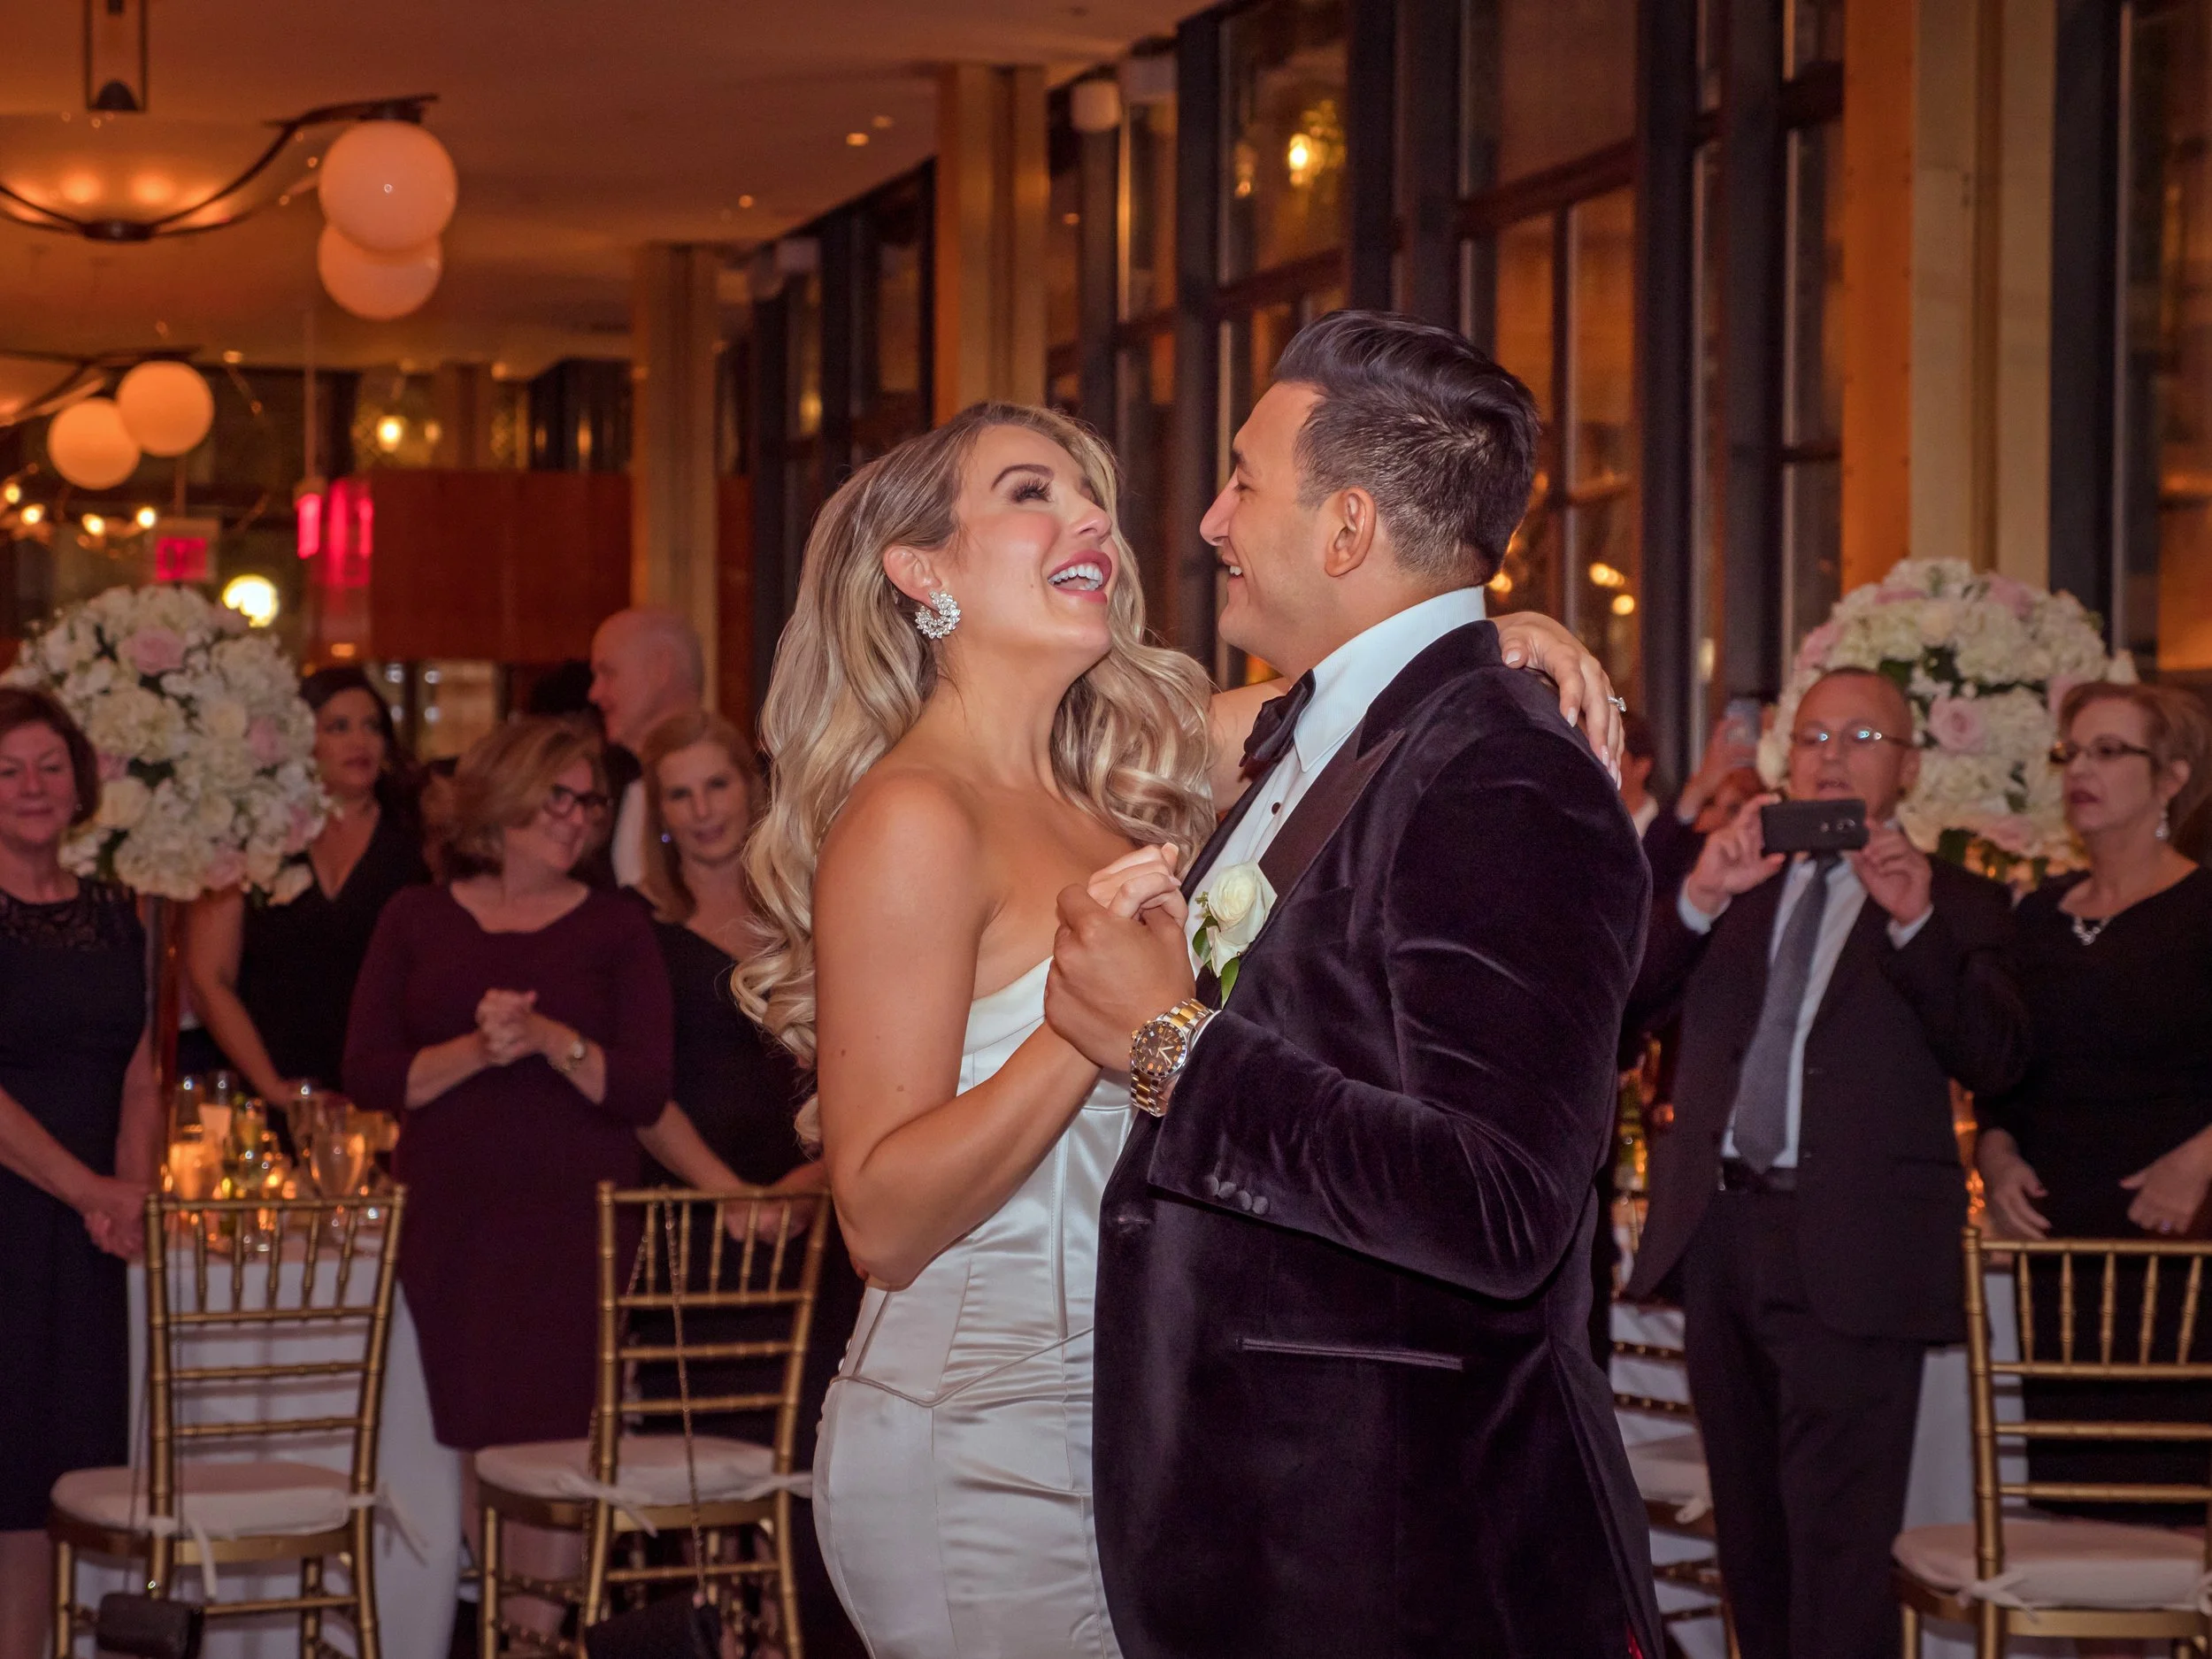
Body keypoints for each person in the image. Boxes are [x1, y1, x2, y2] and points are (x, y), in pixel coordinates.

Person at [736, 387, 1620, 1658]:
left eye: (1090, 490)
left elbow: (1376, 690)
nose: (1088, 512)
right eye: (1029, 491)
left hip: (1131, 1431)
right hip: (984, 1432)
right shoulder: (916, 815)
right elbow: (879, 1214)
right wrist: (1088, 1025)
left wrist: (1494, 626)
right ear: (920, 568)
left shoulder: (1119, 777)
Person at [1041, 311, 1656, 1657]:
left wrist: (1168, 1047)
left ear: (1348, 527)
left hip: (1395, 1551)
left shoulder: (1501, 772)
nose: (1209, 519)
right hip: (1277, 1538)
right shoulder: (1320, 738)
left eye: (1245, 479)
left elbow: (1497, 1202)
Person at [1624, 666, 2030, 1659]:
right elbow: (1618, 1015)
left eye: (1860, 739)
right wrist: (1696, 897)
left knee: (1840, 1556)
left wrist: (1912, 923)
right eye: (1812, 738)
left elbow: (1999, 1059)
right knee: (1751, 1549)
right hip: (1721, 1235)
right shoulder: (1736, 886)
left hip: (1858, 1248)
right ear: (1783, 760)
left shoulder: (1960, 900)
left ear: (1906, 768)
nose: (1832, 757)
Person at [342, 715, 674, 1639]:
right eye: (556, 798)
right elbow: (368, 1071)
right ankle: (506, 1634)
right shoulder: (415, 915)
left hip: (573, 1230)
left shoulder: (618, 926)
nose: (576, 818)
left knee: (557, 1458)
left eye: (590, 801)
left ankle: (533, 1641)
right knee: (477, 1452)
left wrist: (547, 1039)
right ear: (502, 800)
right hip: (452, 1226)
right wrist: (478, 1050)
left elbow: (644, 1086)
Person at [631, 708, 866, 1656]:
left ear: (751, 788)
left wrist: (808, 1183)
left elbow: (861, 1059)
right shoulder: (641, 933)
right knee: (699, 1470)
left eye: (716, 786)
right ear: (658, 813)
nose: (702, 812)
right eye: (679, 796)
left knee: (813, 1451)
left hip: (824, 1221)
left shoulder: (814, 905)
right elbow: (642, 1096)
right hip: (701, 1239)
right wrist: (732, 1195)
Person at [1976, 680, 2212, 1519]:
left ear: (2172, 776)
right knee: (2076, 1525)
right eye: (2072, 751)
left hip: (2179, 1248)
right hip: (2062, 1255)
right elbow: (2008, 1073)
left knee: (2174, 1525)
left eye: (2111, 751)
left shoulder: (2202, 907)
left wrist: (2199, 1160)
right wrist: (1995, 1153)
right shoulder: (2038, 914)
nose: (2083, 768)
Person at [0, 688, 162, 1659]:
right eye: (9, 770)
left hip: (88, 1237)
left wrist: (129, 1192)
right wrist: (88, 1189)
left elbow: (140, 1074)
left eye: (49, 766)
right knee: (6, 1477)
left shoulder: (115, 912)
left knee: (66, 1480)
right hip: (13, 1219)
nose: (32, 787)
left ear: (80, 782)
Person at [186, 666, 427, 1117]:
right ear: (298, 741)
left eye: (372, 726)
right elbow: (208, 978)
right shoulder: (255, 835)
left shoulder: (419, 839)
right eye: (338, 727)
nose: (361, 742)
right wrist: (272, 1086)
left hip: (387, 1089)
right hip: (268, 1084)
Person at [588, 607, 705, 888]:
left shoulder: (749, 787)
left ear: (660, 669)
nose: (594, 693)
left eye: (608, 672)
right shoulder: (596, 783)